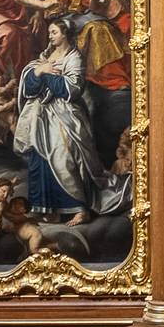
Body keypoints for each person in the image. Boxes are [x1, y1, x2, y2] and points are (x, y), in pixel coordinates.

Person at [15, 17, 128, 224]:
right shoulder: (45, 56)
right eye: (49, 32)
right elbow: (31, 88)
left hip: (65, 115)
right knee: (39, 158)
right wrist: (40, 71)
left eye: (54, 32)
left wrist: (45, 75)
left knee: (63, 157)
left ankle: (79, 209)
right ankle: (49, 209)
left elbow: (71, 90)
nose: (50, 36)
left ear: (65, 33)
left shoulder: (74, 58)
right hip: (40, 116)